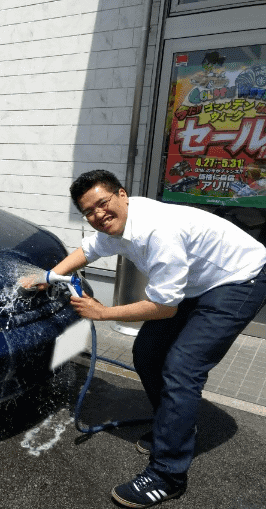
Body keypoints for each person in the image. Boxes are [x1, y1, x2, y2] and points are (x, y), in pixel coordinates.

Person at [20, 170, 266, 508]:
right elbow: (89, 250)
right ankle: (175, 428)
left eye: (102, 204)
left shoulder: (157, 231)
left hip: (238, 279)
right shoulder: (116, 225)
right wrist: (50, 276)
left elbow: (164, 308)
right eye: (88, 211)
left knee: (181, 369)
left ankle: (168, 476)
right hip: (194, 284)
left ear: (122, 195)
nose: (97, 215)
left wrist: (103, 313)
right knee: (148, 353)